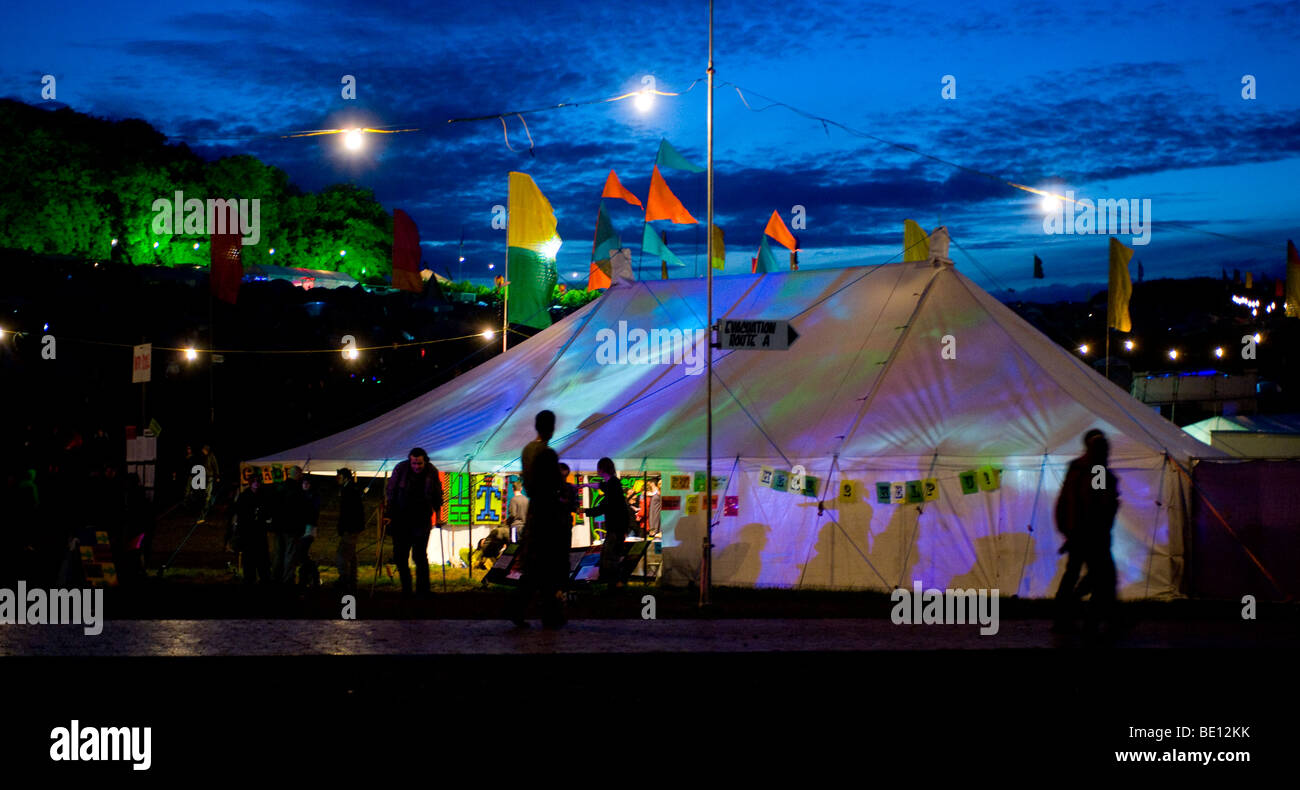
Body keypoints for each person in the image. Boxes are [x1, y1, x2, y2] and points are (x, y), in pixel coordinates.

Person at [1053, 429, 1120, 635]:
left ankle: (1063, 615)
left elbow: (1065, 501)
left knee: (1074, 574)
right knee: (1103, 577)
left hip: (1077, 532)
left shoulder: (1075, 468)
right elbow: (1097, 501)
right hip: (1092, 533)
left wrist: (1067, 529)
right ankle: (1093, 618)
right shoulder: (1097, 470)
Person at [506, 411, 568, 628]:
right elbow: (555, 485)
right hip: (548, 512)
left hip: (534, 512)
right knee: (549, 565)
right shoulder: (547, 453)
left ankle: (519, 609)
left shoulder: (527, 450)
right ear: (551, 428)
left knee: (533, 566)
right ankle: (550, 615)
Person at [385, 448, 443, 597]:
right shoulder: (400, 469)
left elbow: (437, 495)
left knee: (420, 556)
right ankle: (407, 588)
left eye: (419, 463)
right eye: (414, 463)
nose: (416, 466)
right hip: (401, 519)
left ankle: (423, 590)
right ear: (410, 460)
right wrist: (388, 514)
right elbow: (391, 492)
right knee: (400, 556)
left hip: (422, 519)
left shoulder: (432, 471)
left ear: (425, 461)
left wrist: (438, 516)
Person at [584, 457, 630, 588]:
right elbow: (600, 486)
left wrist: (585, 511)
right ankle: (615, 583)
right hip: (618, 527)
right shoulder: (613, 483)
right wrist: (585, 485)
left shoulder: (613, 486)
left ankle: (615, 584)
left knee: (610, 557)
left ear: (602, 469)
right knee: (610, 555)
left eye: (598, 468)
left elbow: (604, 506)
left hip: (616, 527)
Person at [231, 477, 271, 584]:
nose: (256, 484)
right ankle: (249, 576)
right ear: (250, 483)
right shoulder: (244, 496)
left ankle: (264, 576)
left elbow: (267, 510)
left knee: (262, 555)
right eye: (254, 482)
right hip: (248, 531)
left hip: (260, 530)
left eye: (258, 482)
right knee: (249, 555)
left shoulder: (263, 495)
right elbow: (239, 512)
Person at [335, 468, 365, 593]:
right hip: (353, 527)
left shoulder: (349, 491)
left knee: (342, 554)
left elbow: (347, 512)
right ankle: (352, 580)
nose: (338, 479)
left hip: (350, 528)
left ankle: (344, 579)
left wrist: (343, 528)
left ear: (345, 478)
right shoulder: (352, 489)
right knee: (351, 554)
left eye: (340, 477)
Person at [198, 444, 220, 522]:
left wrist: (217, 476)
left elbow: (215, 466)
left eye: (203, 450)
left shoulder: (211, 457)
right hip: (204, 476)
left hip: (210, 476)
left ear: (206, 450)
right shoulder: (203, 457)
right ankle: (206, 505)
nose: (202, 451)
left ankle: (206, 509)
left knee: (208, 493)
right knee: (204, 493)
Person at [506, 479, 528, 543]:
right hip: (524, 527)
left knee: (513, 546)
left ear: (513, 489)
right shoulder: (526, 500)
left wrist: (507, 522)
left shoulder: (513, 500)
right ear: (521, 489)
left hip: (515, 527)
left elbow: (513, 514)